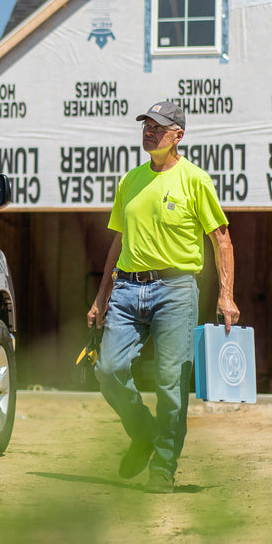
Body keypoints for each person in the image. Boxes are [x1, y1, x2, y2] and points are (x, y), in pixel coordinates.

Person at [86, 99, 237, 493]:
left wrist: (226, 296)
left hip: (176, 290)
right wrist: (102, 296)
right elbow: (118, 242)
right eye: (146, 126)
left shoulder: (195, 180)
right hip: (128, 288)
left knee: (171, 383)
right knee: (107, 371)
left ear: (178, 136)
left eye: (158, 127)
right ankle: (144, 433)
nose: (149, 132)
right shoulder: (130, 181)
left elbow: (221, 240)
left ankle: (163, 468)